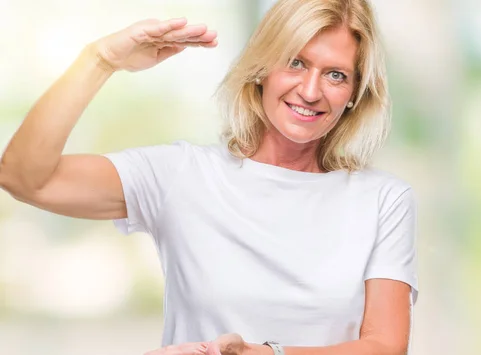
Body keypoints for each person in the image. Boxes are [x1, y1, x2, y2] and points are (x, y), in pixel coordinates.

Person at [0, 0, 418, 354]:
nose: (310, 91)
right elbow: (23, 177)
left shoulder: (383, 200)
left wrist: (270, 354)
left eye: (335, 75)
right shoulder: (179, 176)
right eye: (296, 63)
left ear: (353, 95)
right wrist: (100, 60)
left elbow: (385, 345)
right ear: (263, 68)